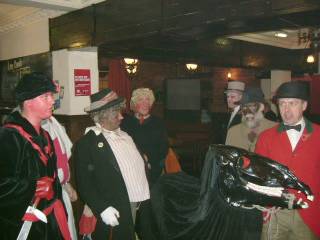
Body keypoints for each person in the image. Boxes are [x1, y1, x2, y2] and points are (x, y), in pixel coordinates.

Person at [74, 88, 154, 240]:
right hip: (117, 205)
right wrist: (101, 208)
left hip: (141, 201)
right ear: (102, 116)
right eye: (115, 112)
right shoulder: (87, 143)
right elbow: (84, 183)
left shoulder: (124, 134)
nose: (121, 116)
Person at [0, 72, 71, 240]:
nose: (52, 101)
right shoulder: (8, 137)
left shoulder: (45, 135)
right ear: (28, 101)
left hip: (50, 221)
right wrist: (32, 188)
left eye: (51, 96)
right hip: (24, 228)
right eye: (45, 96)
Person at [255, 81, 320, 240]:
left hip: (310, 213)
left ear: (304, 105)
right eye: (282, 103)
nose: (286, 109)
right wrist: (267, 204)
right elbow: (259, 175)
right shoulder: (265, 137)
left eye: (292, 103)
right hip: (276, 212)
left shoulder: (319, 135)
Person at [121, 88, 169, 186]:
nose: (145, 103)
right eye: (140, 100)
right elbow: (122, 147)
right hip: (130, 169)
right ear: (134, 104)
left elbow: (163, 149)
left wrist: (150, 162)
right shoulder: (125, 123)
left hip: (153, 169)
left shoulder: (158, 123)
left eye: (147, 100)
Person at [42, 116, 78, 240]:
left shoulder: (52, 122)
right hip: (44, 200)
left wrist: (67, 184)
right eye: (46, 97)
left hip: (61, 191)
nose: (52, 101)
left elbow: (61, 160)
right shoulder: (23, 131)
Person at [226, 87, 276, 151]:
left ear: (261, 107)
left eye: (252, 106)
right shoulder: (233, 132)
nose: (248, 111)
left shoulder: (274, 129)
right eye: (244, 106)